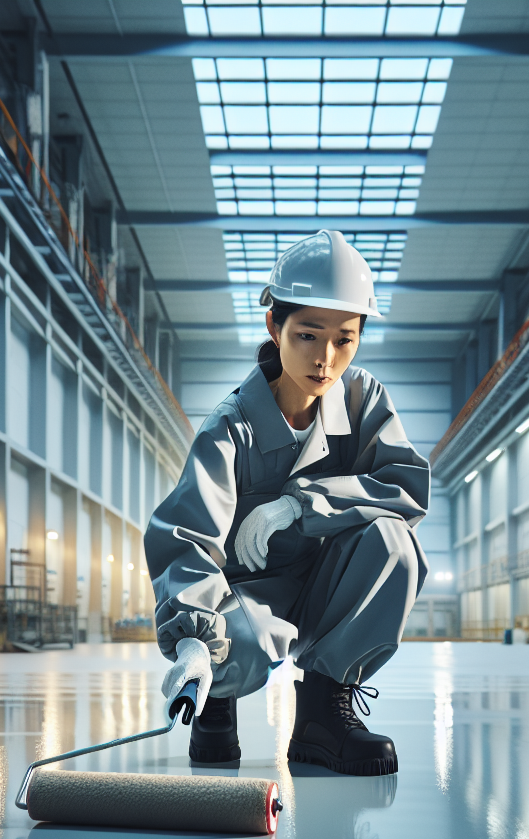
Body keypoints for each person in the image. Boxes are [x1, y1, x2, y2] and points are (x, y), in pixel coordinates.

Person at [145, 230, 429, 776]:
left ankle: (324, 712)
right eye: (307, 335)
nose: (326, 359)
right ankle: (217, 701)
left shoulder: (363, 399)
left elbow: (406, 489)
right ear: (275, 325)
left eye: (345, 339)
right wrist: (195, 639)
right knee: (231, 647)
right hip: (251, 596)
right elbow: (185, 533)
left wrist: (303, 502)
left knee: (395, 542)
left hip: (330, 586)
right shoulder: (231, 426)